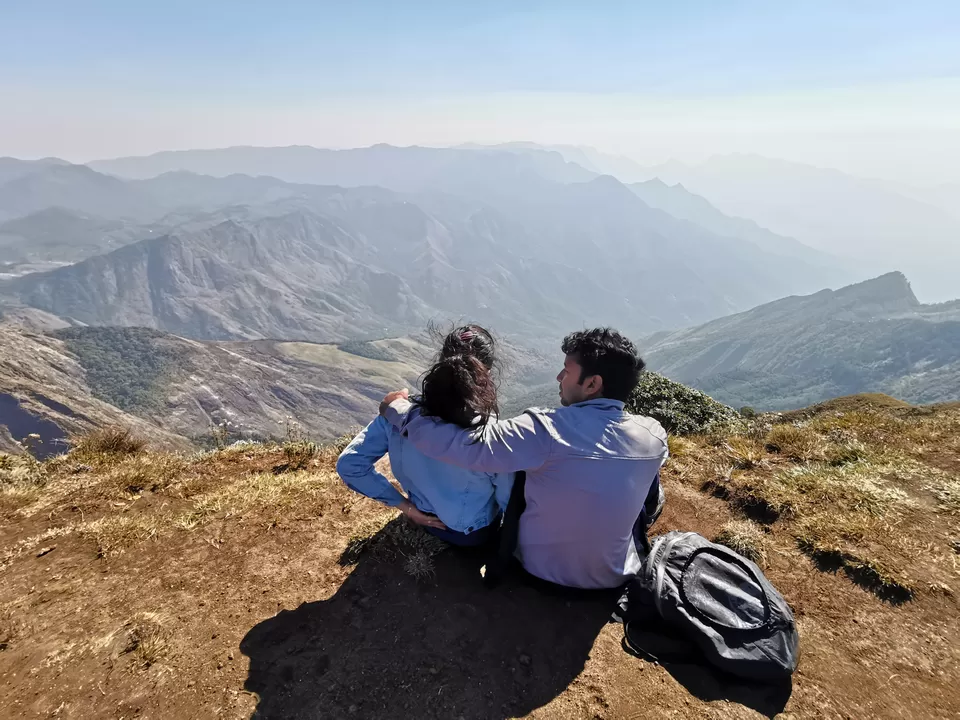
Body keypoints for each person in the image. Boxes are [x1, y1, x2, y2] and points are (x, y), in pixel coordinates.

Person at [379, 327, 668, 589]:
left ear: (592, 384)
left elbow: (462, 447)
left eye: (566, 371)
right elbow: (649, 502)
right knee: (645, 484)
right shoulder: (654, 436)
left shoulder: (542, 430)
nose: (558, 377)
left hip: (540, 573)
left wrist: (401, 412)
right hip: (617, 578)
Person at [336, 324, 512, 547]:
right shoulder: (492, 436)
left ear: (441, 361)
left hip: (424, 518)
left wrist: (406, 508)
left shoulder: (398, 415)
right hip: (473, 533)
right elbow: (509, 501)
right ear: (486, 373)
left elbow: (349, 464)